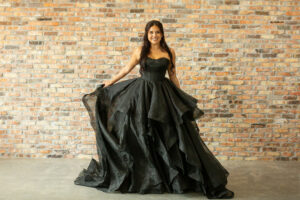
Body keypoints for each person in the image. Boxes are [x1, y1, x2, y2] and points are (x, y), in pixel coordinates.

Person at [74, 19, 234, 199]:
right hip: (142, 95)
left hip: (163, 95)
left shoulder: (169, 52)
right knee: (143, 135)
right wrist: (108, 84)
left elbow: (173, 75)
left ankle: (176, 178)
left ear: (162, 34)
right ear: (147, 34)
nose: (154, 35)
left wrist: (180, 98)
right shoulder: (140, 51)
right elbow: (126, 69)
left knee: (169, 135)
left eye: (157, 32)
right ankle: (149, 178)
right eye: (151, 33)